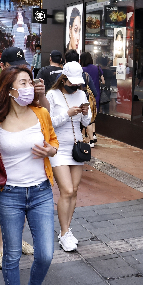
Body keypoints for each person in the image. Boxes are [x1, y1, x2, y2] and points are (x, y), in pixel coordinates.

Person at [0, 66, 58, 285]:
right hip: (9, 195)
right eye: (24, 82)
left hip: (41, 191)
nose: (30, 87)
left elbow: (53, 142)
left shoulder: (41, 113)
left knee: (46, 253)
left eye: (30, 81)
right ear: (9, 89)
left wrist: (50, 150)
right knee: (12, 256)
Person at [46, 61, 92, 252]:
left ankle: (67, 229)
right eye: (72, 83)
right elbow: (48, 124)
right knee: (66, 190)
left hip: (76, 148)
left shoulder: (82, 94)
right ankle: (64, 232)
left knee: (73, 190)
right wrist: (67, 113)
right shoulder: (52, 95)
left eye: (77, 83)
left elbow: (86, 122)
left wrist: (85, 113)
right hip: (58, 149)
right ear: (63, 79)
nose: (75, 86)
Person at [0, 47, 48, 114]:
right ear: (3, 66)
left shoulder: (29, 85)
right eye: (14, 67)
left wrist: (41, 95)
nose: (19, 70)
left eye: (22, 66)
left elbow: (45, 111)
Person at [80, 52, 104, 146]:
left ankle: (88, 137)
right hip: (95, 95)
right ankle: (93, 134)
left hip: (85, 96)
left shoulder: (82, 70)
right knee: (93, 115)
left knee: (86, 116)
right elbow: (103, 80)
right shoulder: (97, 68)